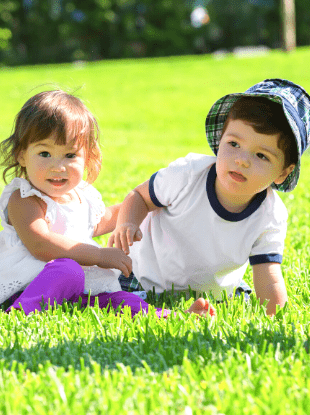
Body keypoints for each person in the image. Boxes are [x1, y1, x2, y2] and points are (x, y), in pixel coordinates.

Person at [0, 89, 215, 318]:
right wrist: (99, 256)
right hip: (32, 284)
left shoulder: (81, 197)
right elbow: (41, 244)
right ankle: (21, 312)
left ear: (88, 158)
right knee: (68, 270)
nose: (58, 166)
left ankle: (170, 316)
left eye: (70, 155)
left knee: (119, 298)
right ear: (21, 155)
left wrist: (154, 201)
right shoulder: (24, 198)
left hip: (81, 290)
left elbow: (109, 218)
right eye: (44, 153)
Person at [108, 79, 310, 316]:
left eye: (261, 156)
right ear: (220, 137)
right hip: (144, 276)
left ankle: (198, 310)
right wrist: (127, 222)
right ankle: (168, 313)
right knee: (120, 301)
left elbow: (268, 276)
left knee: (238, 299)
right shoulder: (188, 174)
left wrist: (276, 316)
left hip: (214, 293)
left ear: (283, 172)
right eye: (234, 143)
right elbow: (139, 196)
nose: (242, 160)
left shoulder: (270, 216)